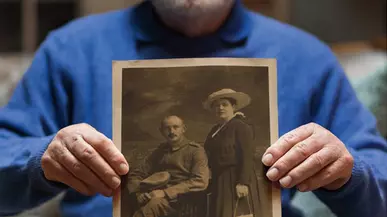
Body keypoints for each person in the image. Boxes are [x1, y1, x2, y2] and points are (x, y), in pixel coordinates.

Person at [0, 0, 386, 217]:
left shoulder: (307, 57)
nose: (171, 134)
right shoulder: (69, 49)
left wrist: (346, 171)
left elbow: (378, 180)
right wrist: (43, 160)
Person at [126, 116, 209, 217]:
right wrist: (138, 193)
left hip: (181, 200)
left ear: (184, 129)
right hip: (155, 196)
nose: (171, 131)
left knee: (151, 207)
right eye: (167, 128)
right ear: (161, 131)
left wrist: (165, 193)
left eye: (176, 127)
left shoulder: (195, 151)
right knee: (126, 199)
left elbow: (200, 181)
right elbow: (137, 174)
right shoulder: (160, 151)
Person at [202, 88, 263, 217]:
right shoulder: (214, 131)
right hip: (220, 180)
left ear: (233, 106)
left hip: (236, 178)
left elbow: (247, 156)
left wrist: (242, 183)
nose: (220, 108)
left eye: (224, 104)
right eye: (217, 105)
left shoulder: (241, 126)